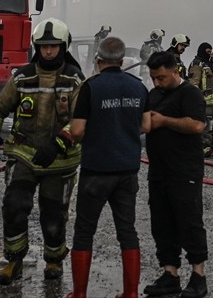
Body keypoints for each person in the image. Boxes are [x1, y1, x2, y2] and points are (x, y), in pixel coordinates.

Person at [0, 17, 86, 285]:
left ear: (63, 47)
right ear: (35, 47)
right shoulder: (22, 77)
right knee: (15, 206)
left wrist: (58, 144)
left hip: (60, 160)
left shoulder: (74, 80)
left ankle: (53, 259)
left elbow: (81, 119)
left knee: (53, 214)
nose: (48, 51)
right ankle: (13, 261)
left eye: (53, 46)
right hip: (23, 154)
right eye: (43, 46)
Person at [65, 35, 150, 298]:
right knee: (127, 231)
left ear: (98, 60)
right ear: (122, 61)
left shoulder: (92, 87)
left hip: (96, 170)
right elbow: (145, 127)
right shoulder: (139, 87)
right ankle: (131, 294)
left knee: (84, 232)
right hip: (127, 170)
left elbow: (77, 130)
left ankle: (79, 294)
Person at [142, 51, 208, 298]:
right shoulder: (153, 95)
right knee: (162, 224)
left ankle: (198, 276)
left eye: (161, 77)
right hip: (159, 171)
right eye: (153, 78)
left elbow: (197, 125)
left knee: (189, 222)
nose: (157, 83)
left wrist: (164, 121)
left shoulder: (190, 93)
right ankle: (170, 274)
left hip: (184, 171)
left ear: (175, 71)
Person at [187, 43, 213, 156]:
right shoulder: (197, 64)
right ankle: (203, 148)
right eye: (208, 51)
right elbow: (194, 83)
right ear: (202, 51)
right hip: (202, 100)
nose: (210, 53)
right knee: (205, 124)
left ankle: (207, 147)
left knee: (209, 123)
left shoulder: (208, 63)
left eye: (211, 51)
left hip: (208, 101)